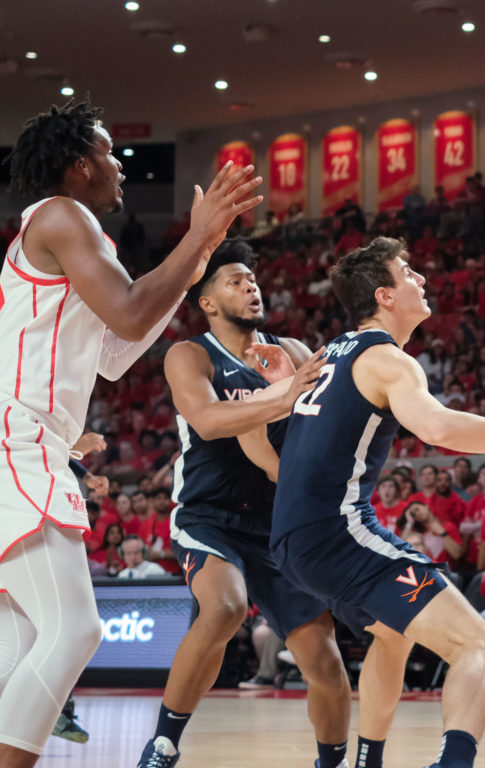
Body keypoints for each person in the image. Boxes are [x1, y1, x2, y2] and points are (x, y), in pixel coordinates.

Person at [246, 237, 485, 768]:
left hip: (293, 538)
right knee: (484, 648)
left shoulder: (335, 350)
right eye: (409, 273)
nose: (422, 280)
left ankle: (365, 762)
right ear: (385, 296)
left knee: (391, 635)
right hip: (337, 532)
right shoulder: (388, 359)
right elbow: (437, 427)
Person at [0, 100, 259, 767]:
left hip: (34, 440)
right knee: (75, 630)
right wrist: (197, 239)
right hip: (17, 442)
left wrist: (197, 251)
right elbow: (130, 307)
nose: (122, 166)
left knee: (20, 641)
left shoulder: (73, 235)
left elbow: (116, 351)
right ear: (80, 165)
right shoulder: (64, 216)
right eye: (113, 152)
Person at [136, 238, 351, 768]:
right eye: (235, 280)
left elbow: (323, 432)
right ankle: (163, 745)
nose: (250, 286)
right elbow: (209, 422)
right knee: (226, 606)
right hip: (209, 516)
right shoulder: (189, 355)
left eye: (252, 280)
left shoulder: (295, 353)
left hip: (280, 521)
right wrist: (282, 395)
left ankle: (334, 762)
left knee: (324, 661)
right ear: (207, 301)